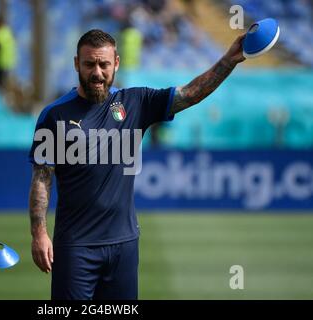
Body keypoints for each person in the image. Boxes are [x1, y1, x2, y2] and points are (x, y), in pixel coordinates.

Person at [28, 29, 245, 300]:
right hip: (76, 247)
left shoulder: (135, 102)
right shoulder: (55, 115)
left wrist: (228, 61)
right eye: (89, 64)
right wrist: (39, 234)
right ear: (76, 64)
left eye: (104, 64)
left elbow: (190, 94)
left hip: (124, 245)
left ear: (116, 63)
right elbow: (42, 177)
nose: (97, 72)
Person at [0, 15, 17, 88]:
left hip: (0, 62)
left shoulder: (0, 33)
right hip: (8, 62)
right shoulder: (8, 32)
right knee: (3, 83)